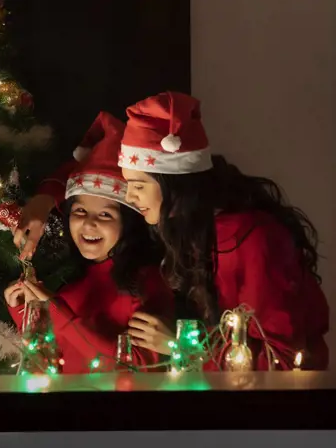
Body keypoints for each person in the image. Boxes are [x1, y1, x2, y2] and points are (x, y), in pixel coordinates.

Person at [118, 91, 329, 370]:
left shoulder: (252, 240)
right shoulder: (190, 235)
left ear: (176, 185)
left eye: (139, 185)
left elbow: (282, 359)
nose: (130, 197)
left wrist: (180, 346)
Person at [4, 112, 172, 374]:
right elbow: (44, 365)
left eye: (105, 214)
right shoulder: (70, 284)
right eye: (80, 212)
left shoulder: (146, 281)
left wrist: (60, 314)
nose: (88, 223)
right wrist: (26, 313)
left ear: (128, 222)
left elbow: (135, 368)